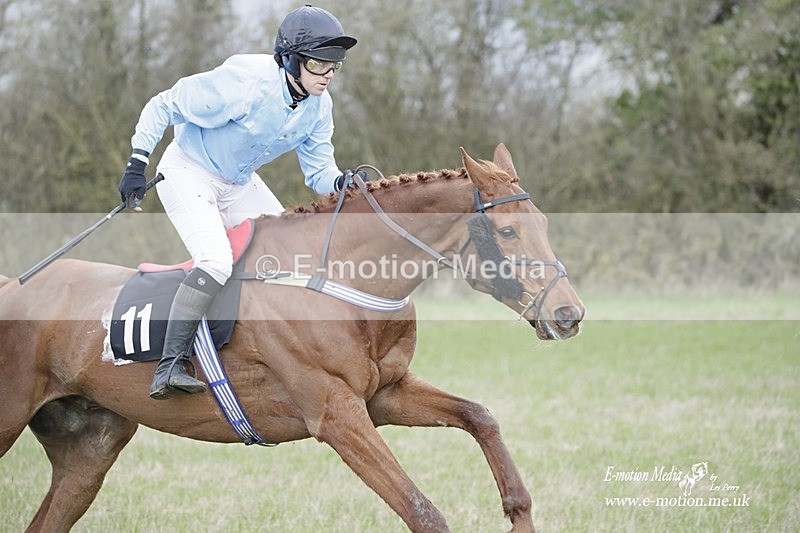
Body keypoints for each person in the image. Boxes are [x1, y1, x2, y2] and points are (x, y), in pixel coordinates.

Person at [118, 5, 358, 400]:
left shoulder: (319, 106)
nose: (328, 73)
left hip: (238, 183)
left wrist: (341, 182)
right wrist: (137, 162)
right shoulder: (244, 82)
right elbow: (164, 104)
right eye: (319, 63)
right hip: (188, 171)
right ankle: (169, 365)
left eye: (335, 64)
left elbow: (319, 172)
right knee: (215, 260)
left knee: (292, 253)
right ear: (290, 60)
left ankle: (270, 352)